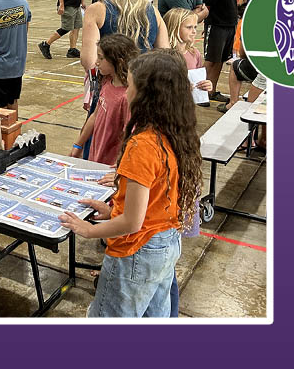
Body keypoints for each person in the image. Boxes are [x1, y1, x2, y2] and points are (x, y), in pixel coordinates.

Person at [60, 50, 202, 318]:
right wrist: (112, 211)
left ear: (148, 96)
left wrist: (89, 230)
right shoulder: (177, 132)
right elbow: (155, 200)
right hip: (166, 244)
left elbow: (133, 222)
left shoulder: (142, 144)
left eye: (131, 87)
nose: (125, 94)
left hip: (137, 250)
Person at [81, 0, 169, 77]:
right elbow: (165, 57)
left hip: (111, 86)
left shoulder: (97, 10)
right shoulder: (153, 11)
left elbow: (89, 62)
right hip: (144, 85)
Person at [70, 34, 136, 164]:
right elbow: (95, 115)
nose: (96, 62)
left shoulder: (127, 97)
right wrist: (78, 145)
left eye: (101, 58)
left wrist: (119, 168)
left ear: (119, 61)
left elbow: (129, 136)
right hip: (96, 154)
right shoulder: (107, 80)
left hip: (111, 164)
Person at [202, 0, 247, 102]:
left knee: (219, 60)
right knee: (210, 61)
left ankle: (211, 91)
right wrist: (207, 23)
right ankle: (201, 94)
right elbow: (207, 2)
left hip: (228, 27)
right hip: (216, 26)